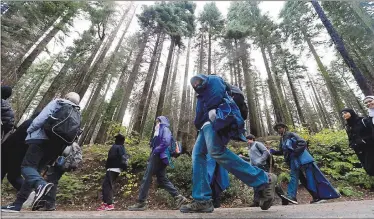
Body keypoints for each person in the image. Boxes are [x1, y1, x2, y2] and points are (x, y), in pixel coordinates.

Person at [180, 74, 277, 213]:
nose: (195, 84)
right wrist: (198, 124)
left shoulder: (213, 80)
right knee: (197, 155)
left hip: (217, 121)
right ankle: (202, 200)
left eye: (196, 81)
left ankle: (264, 178)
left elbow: (217, 93)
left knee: (216, 151)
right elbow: (199, 115)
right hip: (205, 126)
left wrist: (212, 110)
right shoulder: (201, 95)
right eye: (193, 84)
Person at [1, 92, 81, 212]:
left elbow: (41, 118)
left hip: (41, 140)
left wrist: (30, 131)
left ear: (66, 97)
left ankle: (40, 185)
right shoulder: (78, 113)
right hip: (56, 148)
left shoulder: (58, 103)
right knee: (34, 172)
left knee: (27, 167)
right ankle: (18, 204)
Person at [270, 123, 340, 205]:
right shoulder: (282, 139)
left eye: (280, 128)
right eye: (277, 129)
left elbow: (302, 142)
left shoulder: (291, 134)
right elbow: (283, 152)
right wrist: (274, 152)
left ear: (284, 128)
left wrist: (295, 152)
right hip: (294, 161)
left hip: (303, 160)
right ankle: (315, 196)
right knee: (302, 179)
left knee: (307, 177)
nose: (279, 130)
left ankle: (292, 196)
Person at [128, 116, 187, 211]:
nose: (156, 123)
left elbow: (166, 141)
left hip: (159, 156)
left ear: (161, 121)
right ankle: (178, 196)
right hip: (162, 157)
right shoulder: (159, 130)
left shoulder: (164, 128)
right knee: (162, 179)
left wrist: (156, 150)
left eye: (157, 121)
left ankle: (141, 202)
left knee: (146, 177)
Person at [1, 112, 40, 191]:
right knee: (13, 176)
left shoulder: (30, 123)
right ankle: (30, 194)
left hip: (9, 150)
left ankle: (29, 194)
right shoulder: (39, 128)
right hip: (20, 155)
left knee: (11, 175)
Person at [97, 134, 128, 211]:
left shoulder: (116, 147)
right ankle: (105, 204)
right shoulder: (122, 147)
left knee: (107, 186)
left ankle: (110, 204)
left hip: (112, 168)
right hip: (116, 169)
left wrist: (108, 165)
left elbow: (111, 157)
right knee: (106, 185)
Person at [341, 108, 374, 176]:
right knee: (368, 170)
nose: (344, 115)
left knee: (371, 168)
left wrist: (363, 140)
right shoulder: (347, 126)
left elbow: (372, 132)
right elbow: (350, 137)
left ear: (351, 113)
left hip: (370, 147)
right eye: (343, 114)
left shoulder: (363, 120)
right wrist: (351, 144)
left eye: (345, 113)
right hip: (359, 150)